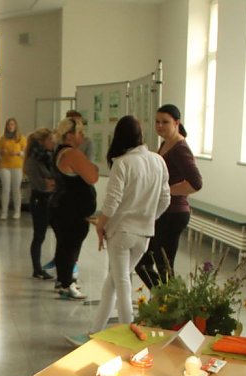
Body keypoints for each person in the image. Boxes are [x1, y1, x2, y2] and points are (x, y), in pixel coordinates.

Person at [91, 116, 170, 331]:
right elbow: (165, 200)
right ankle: (96, 330)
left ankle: (129, 332)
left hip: (121, 233)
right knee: (114, 281)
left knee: (122, 281)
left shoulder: (122, 162)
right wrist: (148, 218)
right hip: (144, 234)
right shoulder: (158, 161)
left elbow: (112, 201)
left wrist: (100, 224)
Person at [135, 104, 202, 288]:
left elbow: (195, 183)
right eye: (157, 122)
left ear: (177, 123)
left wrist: (164, 190)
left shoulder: (180, 148)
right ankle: (163, 301)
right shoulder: (166, 143)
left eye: (165, 122)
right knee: (145, 262)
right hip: (163, 212)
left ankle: (169, 304)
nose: (160, 126)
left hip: (174, 213)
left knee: (163, 265)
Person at [50, 117, 98, 300]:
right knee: (70, 246)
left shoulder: (59, 151)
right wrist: (91, 166)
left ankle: (64, 282)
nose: (82, 136)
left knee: (64, 246)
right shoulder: (72, 154)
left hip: (62, 207)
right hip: (71, 210)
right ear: (70, 135)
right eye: (79, 132)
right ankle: (67, 284)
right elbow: (92, 176)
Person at [25, 127, 56, 280]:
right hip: (39, 200)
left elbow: (55, 180)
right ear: (42, 142)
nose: (53, 142)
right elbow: (40, 184)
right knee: (39, 236)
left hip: (49, 200)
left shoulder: (48, 157)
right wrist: (49, 183)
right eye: (50, 140)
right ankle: (37, 269)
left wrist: (51, 182)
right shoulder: (33, 160)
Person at [0, 117, 26, 220]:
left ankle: (17, 211)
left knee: (16, 189)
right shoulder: (2, 138)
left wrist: (18, 153)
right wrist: (1, 152)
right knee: (6, 189)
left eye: (12, 124)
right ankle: (4, 212)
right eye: (9, 124)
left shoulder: (21, 138)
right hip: (5, 166)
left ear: (15, 126)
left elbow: (25, 153)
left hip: (17, 166)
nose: (10, 126)